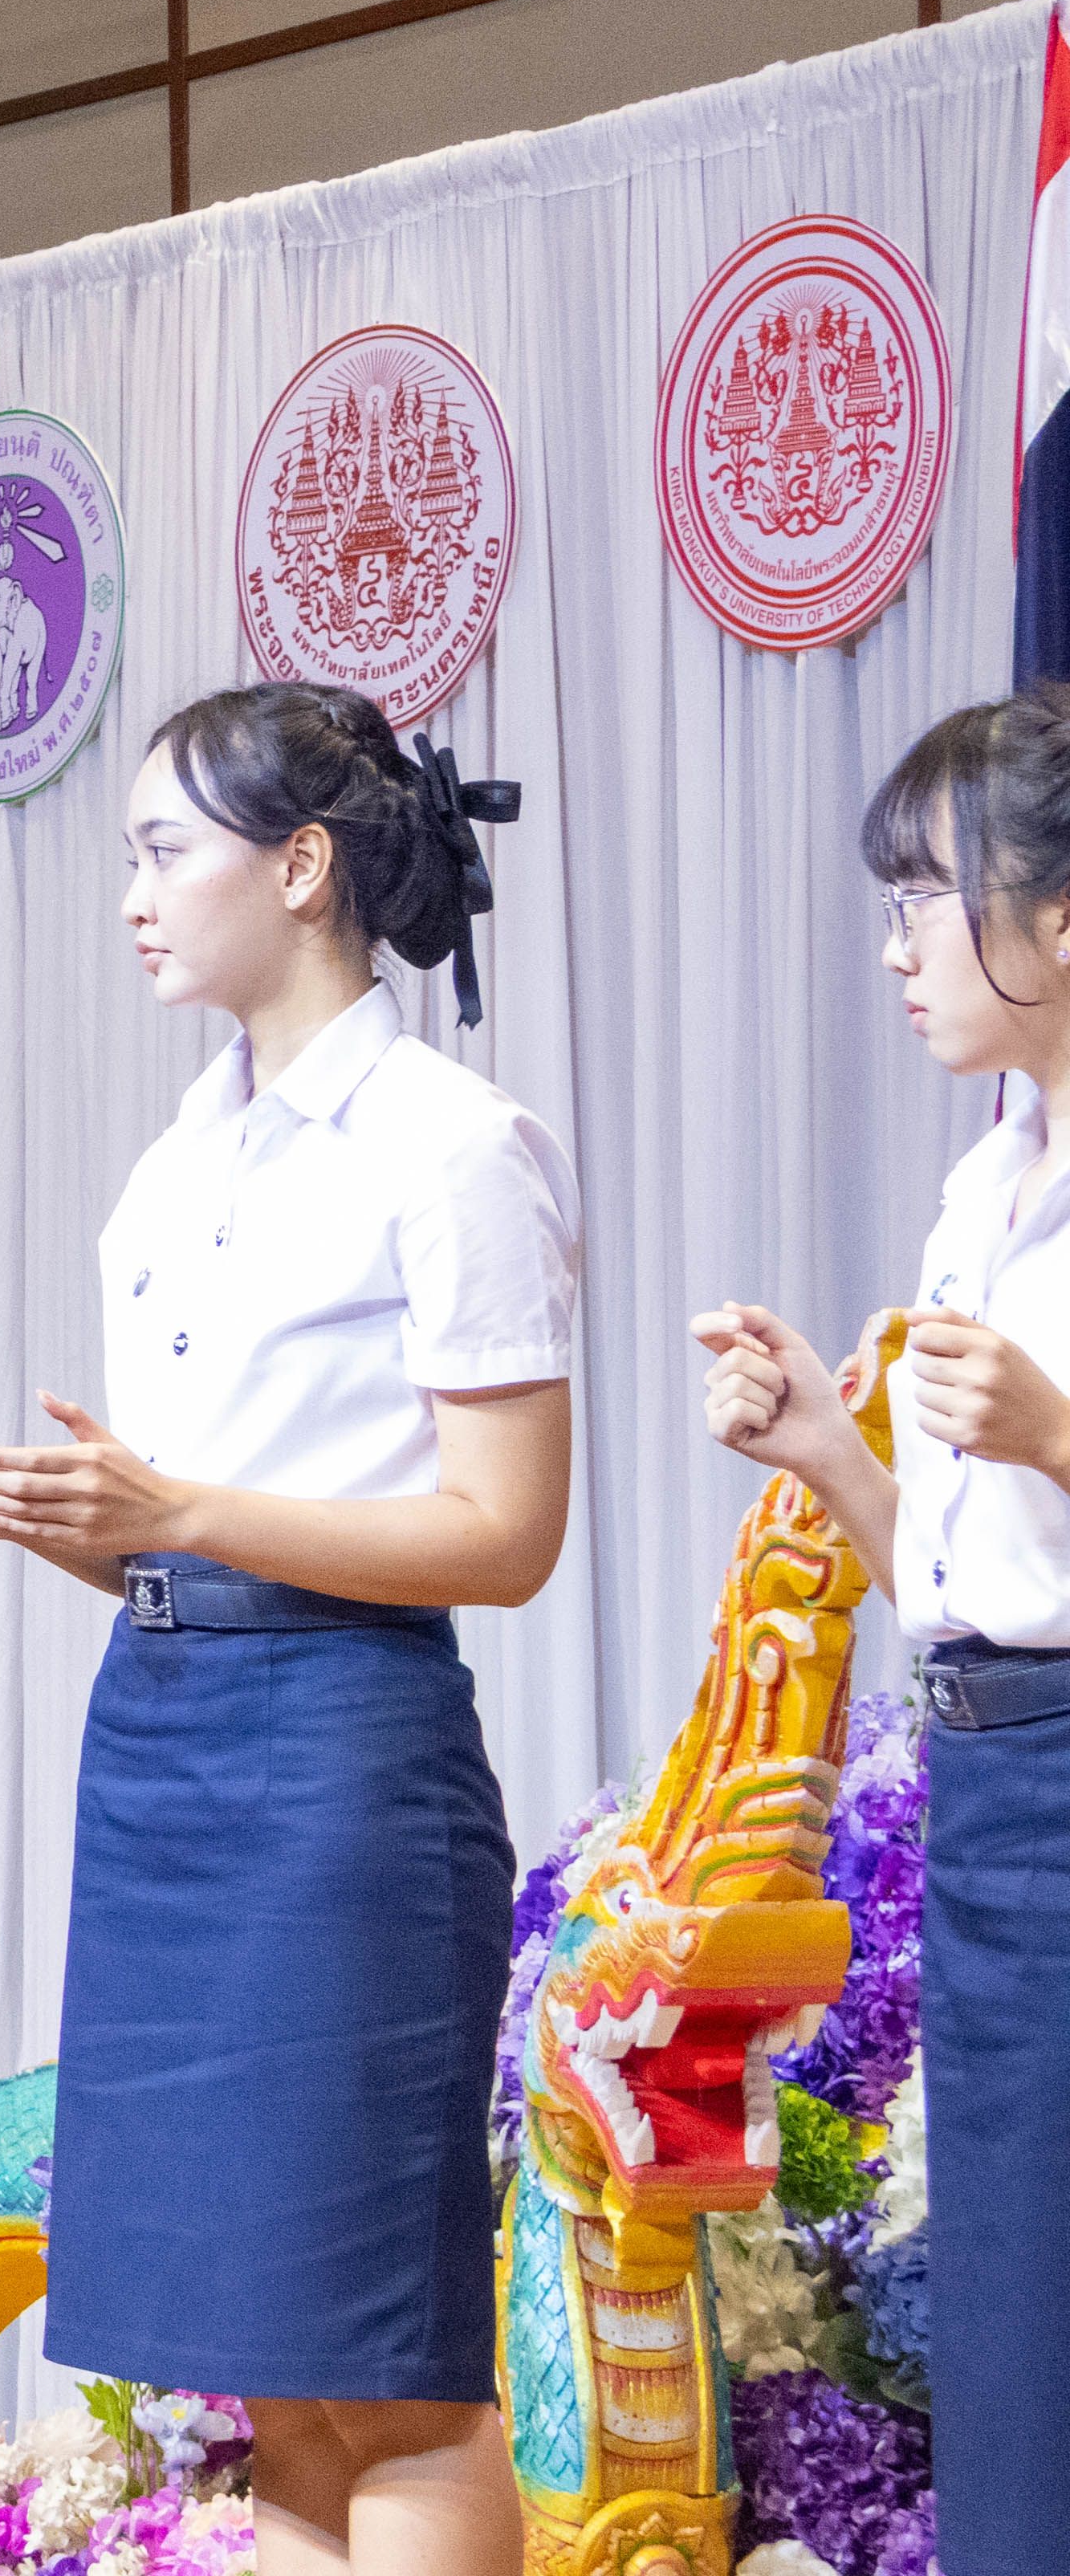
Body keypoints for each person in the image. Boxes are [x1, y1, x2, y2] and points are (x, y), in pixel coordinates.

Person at [0, 682, 563, 2576]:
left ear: (302, 865)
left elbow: (507, 1533)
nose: (134, 894)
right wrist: (46, 1516)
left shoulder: (449, 1139)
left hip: (341, 1767)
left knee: (389, 2368)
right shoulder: (175, 1163)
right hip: (159, 1736)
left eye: (167, 849)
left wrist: (175, 1512)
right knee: (268, 2375)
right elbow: (184, 1535)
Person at [692, 691, 1070, 2576]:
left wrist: (1058, 1429)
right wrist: (827, 1449)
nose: (903, 946)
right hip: (994, 1790)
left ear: (1059, 914)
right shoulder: (983, 1190)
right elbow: (955, 1575)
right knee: (1015, 2321)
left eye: (928, 894)